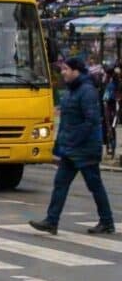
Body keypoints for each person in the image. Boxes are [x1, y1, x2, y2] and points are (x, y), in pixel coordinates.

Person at [30, 57, 115, 235]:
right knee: (60, 183)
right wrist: (58, 145)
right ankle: (51, 221)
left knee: (94, 185)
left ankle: (107, 222)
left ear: (76, 71)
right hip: (71, 148)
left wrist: (74, 141)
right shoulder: (70, 92)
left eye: (65, 69)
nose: (63, 73)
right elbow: (65, 122)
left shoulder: (87, 91)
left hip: (85, 149)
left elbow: (91, 121)